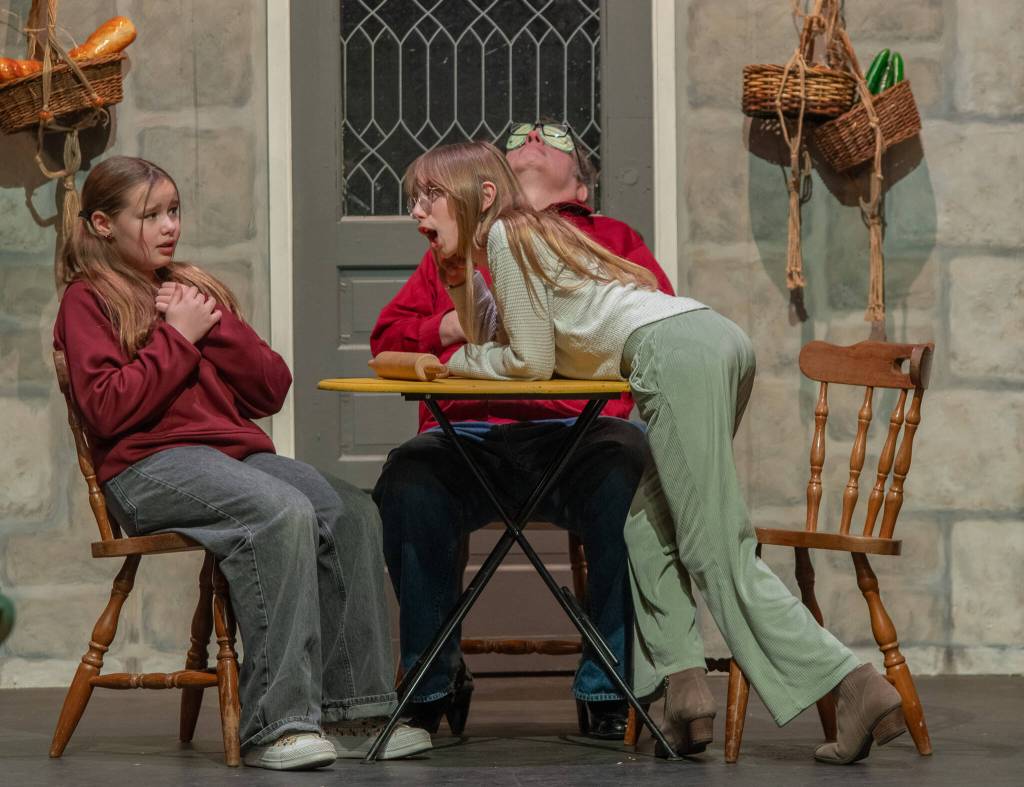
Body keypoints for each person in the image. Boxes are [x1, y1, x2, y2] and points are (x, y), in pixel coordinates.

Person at [401, 140, 909, 765]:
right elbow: (505, 333)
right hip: (705, 339)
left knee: (713, 547)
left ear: (480, 197)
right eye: (413, 199)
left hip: (675, 355)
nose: (418, 212)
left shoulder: (508, 236)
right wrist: (458, 285)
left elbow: (525, 361)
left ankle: (852, 685)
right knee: (648, 530)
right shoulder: (523, 239)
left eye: (431, 195)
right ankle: (683, 697)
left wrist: (456, 367)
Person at [52, 156, 431, 770]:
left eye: (173, 211)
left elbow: (270, 389)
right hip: (147, 466)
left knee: (352, 510)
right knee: (277, 511)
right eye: (149, 215)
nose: (168, 226)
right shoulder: (88, 300)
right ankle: (276, 723)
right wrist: (178, 338)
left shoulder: (195, 290)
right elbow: (107, 409)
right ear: (101, 223)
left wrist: (213, 325)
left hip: (234, 457)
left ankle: (357, 711)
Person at [371, 122, 674, 740]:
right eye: (521, 139)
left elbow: (651, 328)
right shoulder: (454, 248)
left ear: (582, 186)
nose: (534, 137)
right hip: (470, 438)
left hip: (575, 437)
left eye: (555, 140)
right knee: (410, 477)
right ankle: (432, 679)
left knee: (628, 468)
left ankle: (608, 681)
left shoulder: (610, 240)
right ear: (490, 187)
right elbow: (387, 340)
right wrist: (455, 325)